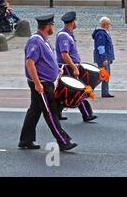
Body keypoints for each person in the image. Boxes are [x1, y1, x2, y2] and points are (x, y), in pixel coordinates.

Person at [18, 14, 77, 151]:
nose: (53, 28)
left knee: (34, 111)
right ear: (48, 26)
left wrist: (57, 71)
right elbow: (30, 63)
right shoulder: (35, 41)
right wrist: (37, 83)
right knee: (51, 112)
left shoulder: (44, 40)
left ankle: (25, 140)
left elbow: (45, 60)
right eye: (52, 25)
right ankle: (63, 141)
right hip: (42, 84)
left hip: (46, 82)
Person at [56, 11, 97, 122]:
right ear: (72, 22)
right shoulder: (64, 36)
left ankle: (56, 113)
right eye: (76, 21)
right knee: (79, 90)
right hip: (68, 67)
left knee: (64, 91)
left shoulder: (68, 33)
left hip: (70, 66)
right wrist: (74, 67)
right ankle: (87, 114)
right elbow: (65, 55)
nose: (76, 22)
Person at [92, 17, 115, 98]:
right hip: (102, 58)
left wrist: (110, 58)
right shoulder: (101, 34)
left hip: (106, 58)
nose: (110, 25)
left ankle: (104, 92)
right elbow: (101, 47)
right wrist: (104, 58)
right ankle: (90, 89)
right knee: (103, 75)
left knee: (104, 75)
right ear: (105, 24)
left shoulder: (104, 32)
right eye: (109, 24)